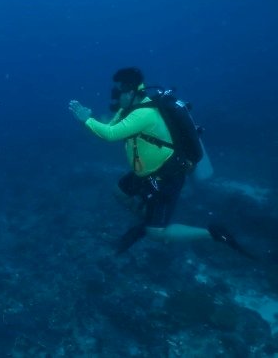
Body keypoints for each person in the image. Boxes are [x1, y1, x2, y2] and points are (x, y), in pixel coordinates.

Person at [68, 67, 252, 257]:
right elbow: (109, 127)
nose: (114, 97)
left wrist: (86, 119)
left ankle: (214, 234)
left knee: (156, 233)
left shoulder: (144, 114)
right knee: (120, 193)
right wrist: (90, 119)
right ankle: (148, 221)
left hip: (166, 176)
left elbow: (110, 134)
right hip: (145, 172)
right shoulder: (128, 108)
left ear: (131, 92)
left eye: (117, 92)